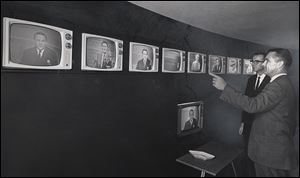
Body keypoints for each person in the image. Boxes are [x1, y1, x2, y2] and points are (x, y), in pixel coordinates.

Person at [209, 48, 297, 177]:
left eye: (267, 60)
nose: (264, 64)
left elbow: (253, 105)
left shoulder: (278, 85)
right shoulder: (283, 83)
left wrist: (225, 88)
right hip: (273, 151)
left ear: (280, 64)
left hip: (270, 154)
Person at [239, 53, 271, 177]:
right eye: (252, 61)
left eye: (256, 61)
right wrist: (243, 122)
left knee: (261, 156)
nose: (252, 63)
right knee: (248, 153)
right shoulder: (251, 79)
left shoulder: (271, 81)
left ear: (264, 63)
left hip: (263, 126)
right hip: (248, 124)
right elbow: (246, 102)